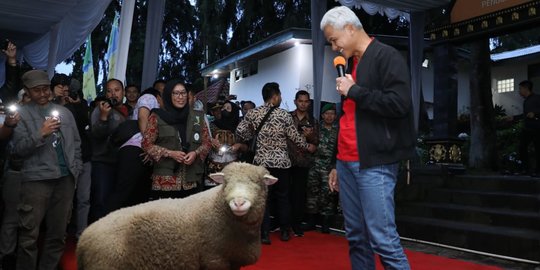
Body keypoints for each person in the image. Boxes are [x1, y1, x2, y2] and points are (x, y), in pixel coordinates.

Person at [321, 6, 416, 270]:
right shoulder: (350, 64)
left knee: (383, 240)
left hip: (375, 162)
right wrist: (334, 164)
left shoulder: (387, 56)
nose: (334, 47)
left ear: (350, 28)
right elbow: (346, 119)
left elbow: (400, 104)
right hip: (346, 163)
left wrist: (356, 91)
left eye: (334, 39)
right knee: (356, 238)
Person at [12, 70, 82, 270]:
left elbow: (76, 144)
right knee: (29, 236)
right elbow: (17, 151)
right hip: (36, 181)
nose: (42, 94)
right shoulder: (21, 115)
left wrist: (75, 169)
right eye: (36, 91)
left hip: (65, 179)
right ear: (27, 91)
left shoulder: (66, 113)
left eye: (45, 89)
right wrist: (40, 134)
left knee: (58, 235)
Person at [236, 82, 316, 244]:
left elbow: (240, 132)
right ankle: (285, 231)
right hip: (282, 164)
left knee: (264, 198)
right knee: (283, 197)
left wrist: (254, 133)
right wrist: (308, 146)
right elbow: (295, 138)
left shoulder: (253, 113)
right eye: (279, 95)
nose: (280, 98)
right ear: (275, 96)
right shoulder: (284, 115)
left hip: (262, 164)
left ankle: (264, 234)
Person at [141, 80, 211, 199]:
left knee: (189, 216)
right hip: (165, 181)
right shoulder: (157, 117)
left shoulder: (197, 117)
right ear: (168, 95)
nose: (181, 97)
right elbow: (146, 144)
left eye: (183, 93)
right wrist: (169, 153)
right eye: (176, 93)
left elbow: (207, 142)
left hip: (191, 180)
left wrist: (195, 153)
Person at [106, 87, 161, 212]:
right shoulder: (149, 97)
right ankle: (105, 227)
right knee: (123, 193)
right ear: (159, 96)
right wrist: (149, 146)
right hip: (137, 149)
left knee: (136, 196)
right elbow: (143, 118)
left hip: (141, 151)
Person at [89, 78, 128, 222]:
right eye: (109, 91)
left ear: (123, 92)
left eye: (117, 90)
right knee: (101, 201)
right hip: (102, 163)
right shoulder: (99, 109)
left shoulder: (127, 111)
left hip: (121, 164)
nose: (113, 94)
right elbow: (96, 134)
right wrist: (104, 117)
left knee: (115, 203)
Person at [287, 90, 319, 237]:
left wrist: (310, 136)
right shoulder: (287, 117)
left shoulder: (313, 121)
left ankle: (297, 224)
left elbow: (316, 143)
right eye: (301, 101)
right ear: (295, 102)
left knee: (299, 195)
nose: (303, 104)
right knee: (285, 194)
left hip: (304, 162)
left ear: (309, 103)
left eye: (306, 101)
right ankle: (284, 224)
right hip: (286, 161)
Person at [305, 103, 338, 234]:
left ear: (335, 116)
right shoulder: (316, 130)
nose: (329, 116)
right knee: (312, 193)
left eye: (332, 114)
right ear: (322, 115)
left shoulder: (338, 131)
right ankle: (311, 221)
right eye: (327, 114)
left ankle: (325, 223)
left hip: (329, 168)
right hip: (315, 165)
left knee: (328, 194)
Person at [0, 103, 21, 268]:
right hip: (13, 170)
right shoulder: (13, 117)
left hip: (34, 171)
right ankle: (6, 256)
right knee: (11, 217)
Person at [514, 80, 540, 176]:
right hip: (528, 129)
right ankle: (526, 169)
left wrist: (535, 114)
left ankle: (538, 171)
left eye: (520, 89)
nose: (519, 91)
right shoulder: (526, 101)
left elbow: (536, 112)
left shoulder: (537, 98)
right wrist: (513, 118)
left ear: (526, 88)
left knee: (538, 149)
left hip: (537, 128)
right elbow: (525, 115)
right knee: (522, 147)